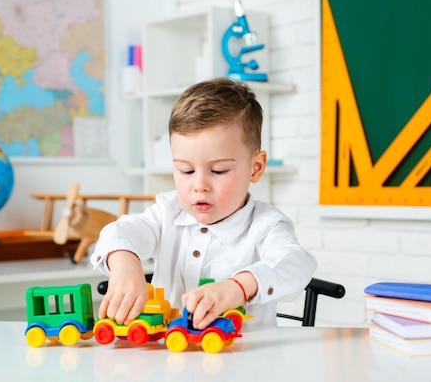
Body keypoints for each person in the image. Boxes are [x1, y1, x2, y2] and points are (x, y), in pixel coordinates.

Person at [90, 77, 317, 328]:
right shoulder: (167, 212)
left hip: (246, 360)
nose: (200, 185)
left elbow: (297, 262)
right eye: (186, 171)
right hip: (170, 358)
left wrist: (238, 287)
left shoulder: (266, 225)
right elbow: (120, 232)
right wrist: (124, 264)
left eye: (218, 171)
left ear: (256, 167)